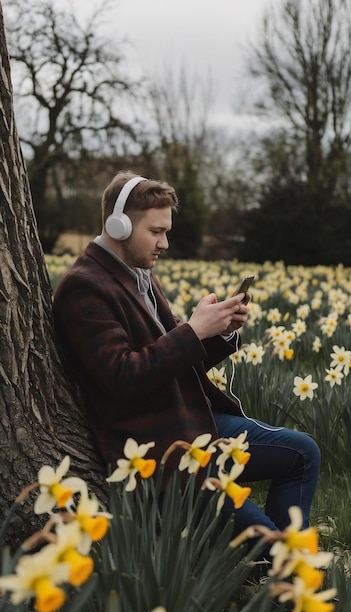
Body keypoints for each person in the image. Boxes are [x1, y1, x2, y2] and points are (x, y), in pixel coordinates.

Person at [53, 170, 320, 541]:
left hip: (194, 422)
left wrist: (218, 330)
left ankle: (284, 568)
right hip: (163, 449)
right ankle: (283, 576)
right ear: (118, 225)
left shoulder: (139, 272)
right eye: (156, 231)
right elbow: (122, 378)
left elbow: (173, 360)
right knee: (269, 545)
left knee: (304, 453)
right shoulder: (84, 287)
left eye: (167, 231)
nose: (164, 242)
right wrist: (192, 330)